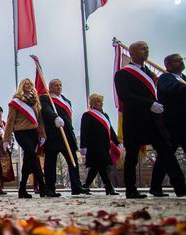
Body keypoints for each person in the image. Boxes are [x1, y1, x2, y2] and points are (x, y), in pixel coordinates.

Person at [114, 41, 186, 198]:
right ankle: (131, 190)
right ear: (132, 53)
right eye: (142, 48)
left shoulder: (151, 74)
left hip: (154, 120)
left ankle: (180, 186)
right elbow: (125, 96)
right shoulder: (123, 74)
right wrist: (149, 104)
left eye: (147, 48)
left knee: (166, 151)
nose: (146, 51)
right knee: (132, 156)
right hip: (135, 120)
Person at [4, 78, 60, 198]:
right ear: (22, 86)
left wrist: (42, 134)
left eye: (30, 84)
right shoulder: (16, 101)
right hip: (21, 132)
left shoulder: (35, 100)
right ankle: (43, 188)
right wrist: (6, 138)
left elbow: (40, 120)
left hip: (33, 133)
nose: (28, 86)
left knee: (28, 160)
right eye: (26, 84)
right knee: (33, 157)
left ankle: (22, 189)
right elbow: (10, 121)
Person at [39, 79, 90, 196]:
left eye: (60, 85)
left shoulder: (66, 101)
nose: (59, 87)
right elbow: (45, 111)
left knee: (73, 162)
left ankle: (76, 186)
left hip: (67, 134)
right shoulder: (45, 98)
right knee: (51, 163)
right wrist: (54, 117)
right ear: (50, 87)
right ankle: (50, 188)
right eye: (56, 85)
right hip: (54, 135)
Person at [150, 54, 186, 197]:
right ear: (169, 65)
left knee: (165, 157)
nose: (181, 62)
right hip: (172, 125)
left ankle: (155, 186)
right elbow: (174, 89)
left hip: (184, 124)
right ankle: (156, 186)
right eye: (177, 60)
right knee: (166, 156)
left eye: (181, 60)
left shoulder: (183, 78)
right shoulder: (166, 78)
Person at [80, 94, 121, 195]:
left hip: (105, 145)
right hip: (93, 146)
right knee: (103, 165)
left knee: (95, 167)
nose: (101, 103)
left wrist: (117, 142)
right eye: (99, 101)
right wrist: (83, 146)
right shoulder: (87, 115)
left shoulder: (105, 115)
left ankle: (85, 186)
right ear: (93, 103)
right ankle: (109, 188)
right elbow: (84, 131)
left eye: (101, 101)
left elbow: (110, 130)